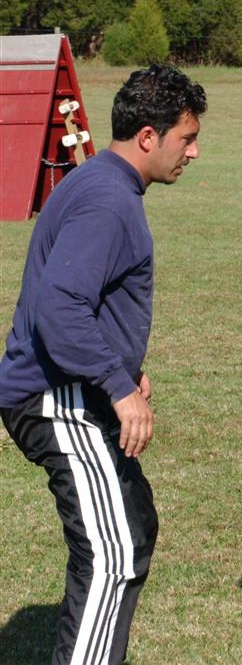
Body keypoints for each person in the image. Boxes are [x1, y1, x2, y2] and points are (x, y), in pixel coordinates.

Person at [0, 65, 206, 665]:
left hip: (70, 389)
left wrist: (121, 365)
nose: (194, 152)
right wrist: (117, 384)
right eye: (187, 138)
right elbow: (60, 307)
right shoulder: (108, 200)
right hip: (56, 398)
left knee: (133, 525)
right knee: (112, 555)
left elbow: (82, 300)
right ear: (148, 136)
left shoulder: (98, 182)